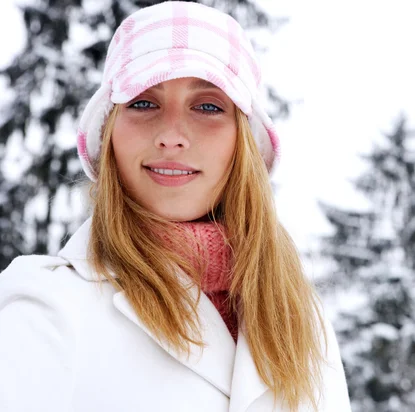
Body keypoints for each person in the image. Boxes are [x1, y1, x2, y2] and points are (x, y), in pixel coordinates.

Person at [0, 2, 351, 411]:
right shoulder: (44, 305)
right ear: (109, 133)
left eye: (207, 107)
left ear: (244, 143)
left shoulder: (300, 321)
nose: (171, 136)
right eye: (143, 103)